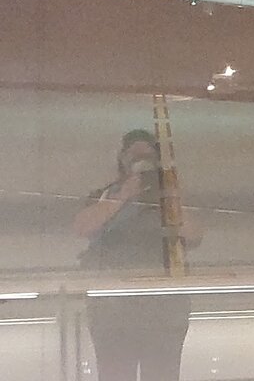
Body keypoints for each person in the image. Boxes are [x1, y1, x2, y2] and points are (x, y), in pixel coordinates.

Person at [74, 129, 203, 381]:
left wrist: (167, 195)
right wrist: (123, 196)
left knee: (162, 374)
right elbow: (82, 227)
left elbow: (194, 234)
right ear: (122, 160)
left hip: (164, 311)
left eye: (147, 155)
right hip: (111, 311)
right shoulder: (105, 196)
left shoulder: (169, 198)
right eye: (134, 154)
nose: (141, 160)